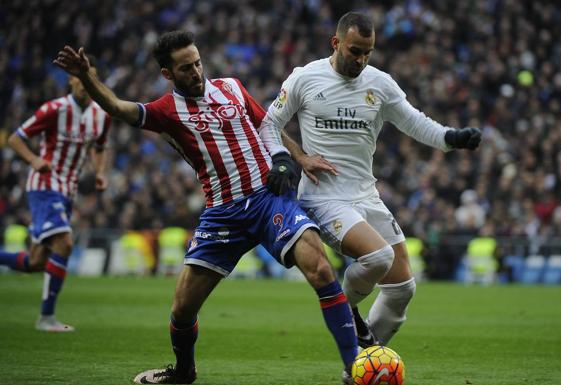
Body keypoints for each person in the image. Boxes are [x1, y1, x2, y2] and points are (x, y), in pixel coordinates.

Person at [53, 30, 358, 385]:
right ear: (168, 74)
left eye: (197, 63)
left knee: (320, 269)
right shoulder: (166, 111)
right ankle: (183, 372)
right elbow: (118, 108)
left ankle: (353, 368)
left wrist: (294, 158)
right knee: (182, 309)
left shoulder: (231, 87)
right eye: (185, 68)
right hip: (223, 212)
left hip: (268, 197)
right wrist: (88, 76)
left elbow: (266, 124)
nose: (196, 72)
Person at [260, 11, 481, 357]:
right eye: (354, 51)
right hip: (323, 196)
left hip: (366, 194)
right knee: (377, 257)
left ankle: (362, 364)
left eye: (368, 52)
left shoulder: (379, 84)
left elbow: (414, 122)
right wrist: (294, 158)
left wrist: (451, 138)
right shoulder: (305, 78)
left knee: (402, 288)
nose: (361, 60)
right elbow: (268, 123)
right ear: (336, 43)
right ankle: (344, 310)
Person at [0, 57, 110, 332]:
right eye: (80, 77)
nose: (84, 84)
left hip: (68, 191)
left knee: (36, 262)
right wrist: (34, 160)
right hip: (45, 185)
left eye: (90, 79)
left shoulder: (101, 115)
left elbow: (99, 146)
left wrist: (99, 172)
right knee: (65, 244)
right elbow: (15, 138)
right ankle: (46, 317)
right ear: (71, 80)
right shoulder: (54, 109)